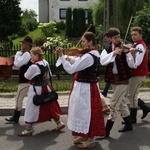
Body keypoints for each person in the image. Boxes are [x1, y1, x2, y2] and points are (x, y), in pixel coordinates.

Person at [56, 32, 105, 149]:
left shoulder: (89, 56)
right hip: (86, 87)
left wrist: (62, 57)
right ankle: (85, 135)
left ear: (90, 42)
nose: (82, 43)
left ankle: (90, 139)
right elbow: (78, 61)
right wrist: (68, 58)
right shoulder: (92, 54)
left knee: (86, 113)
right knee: (83, 112)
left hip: (86, 89)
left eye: (83, 41)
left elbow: (72, 69)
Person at [18, 47, 65, 136]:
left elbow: (27, 76)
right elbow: (49, 75)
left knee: (31, 107)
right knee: (49, 104)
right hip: (46, 87)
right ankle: (59, 123)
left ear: (36, 55)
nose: (30, 57)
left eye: (31, 55)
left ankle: (28, 129)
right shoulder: (45, 63)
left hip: (35, 88)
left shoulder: (34, 66)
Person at [100, 27, 136, 137]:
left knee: (113, 104)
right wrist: (114, 53)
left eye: (119, 37)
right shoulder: (107, 48)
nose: (118, 39)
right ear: (110, 38)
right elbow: (103, 62)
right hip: (114, 79)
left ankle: (106, 131)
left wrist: (132, 54)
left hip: (123, 80)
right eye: (115, 38)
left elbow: (132, 65)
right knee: (122, 102)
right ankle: (129, 124)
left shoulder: (125, 48)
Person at [5, 36, 33, 123]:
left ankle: (16, 117)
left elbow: (18, 64)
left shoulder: (27, 54)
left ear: (28, 45)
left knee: (18, 98)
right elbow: (18, 67)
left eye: (24, 43)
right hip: (26, 80)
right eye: (22, 43)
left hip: (26, 81)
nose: (22, 44)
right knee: (29, 99)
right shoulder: (25, 54)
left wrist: (17, 54)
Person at [125, 27, 150, 123]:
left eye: (135, 34)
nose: (133, 36)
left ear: (141, 35)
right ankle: (144, 107)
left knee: (132, 95)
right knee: (130, 94)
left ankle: (133, 117)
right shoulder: (136, 45)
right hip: (135, 74)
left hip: (138, 73)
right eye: (132, 34)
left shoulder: (140, 46)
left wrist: (132, 54)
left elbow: (137, 63)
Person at [102, 32, 112, 97]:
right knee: (110, 79)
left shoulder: (110, 46)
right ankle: (105, 91)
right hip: (110, 65)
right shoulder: (109, 45)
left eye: (106, 38)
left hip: (112, 65)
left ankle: (105, 91)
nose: (106, 40)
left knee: (110, 79)